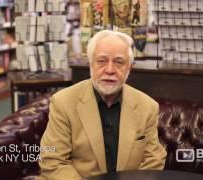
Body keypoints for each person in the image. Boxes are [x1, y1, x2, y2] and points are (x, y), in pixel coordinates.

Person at [39, 30, 167, 179]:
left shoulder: (147, 107)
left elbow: (154, 160)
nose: (110, 70)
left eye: (119, 62)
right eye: (102, 61)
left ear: (129, 68)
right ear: (91, 64)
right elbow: (52, 160)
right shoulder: (63, 103)